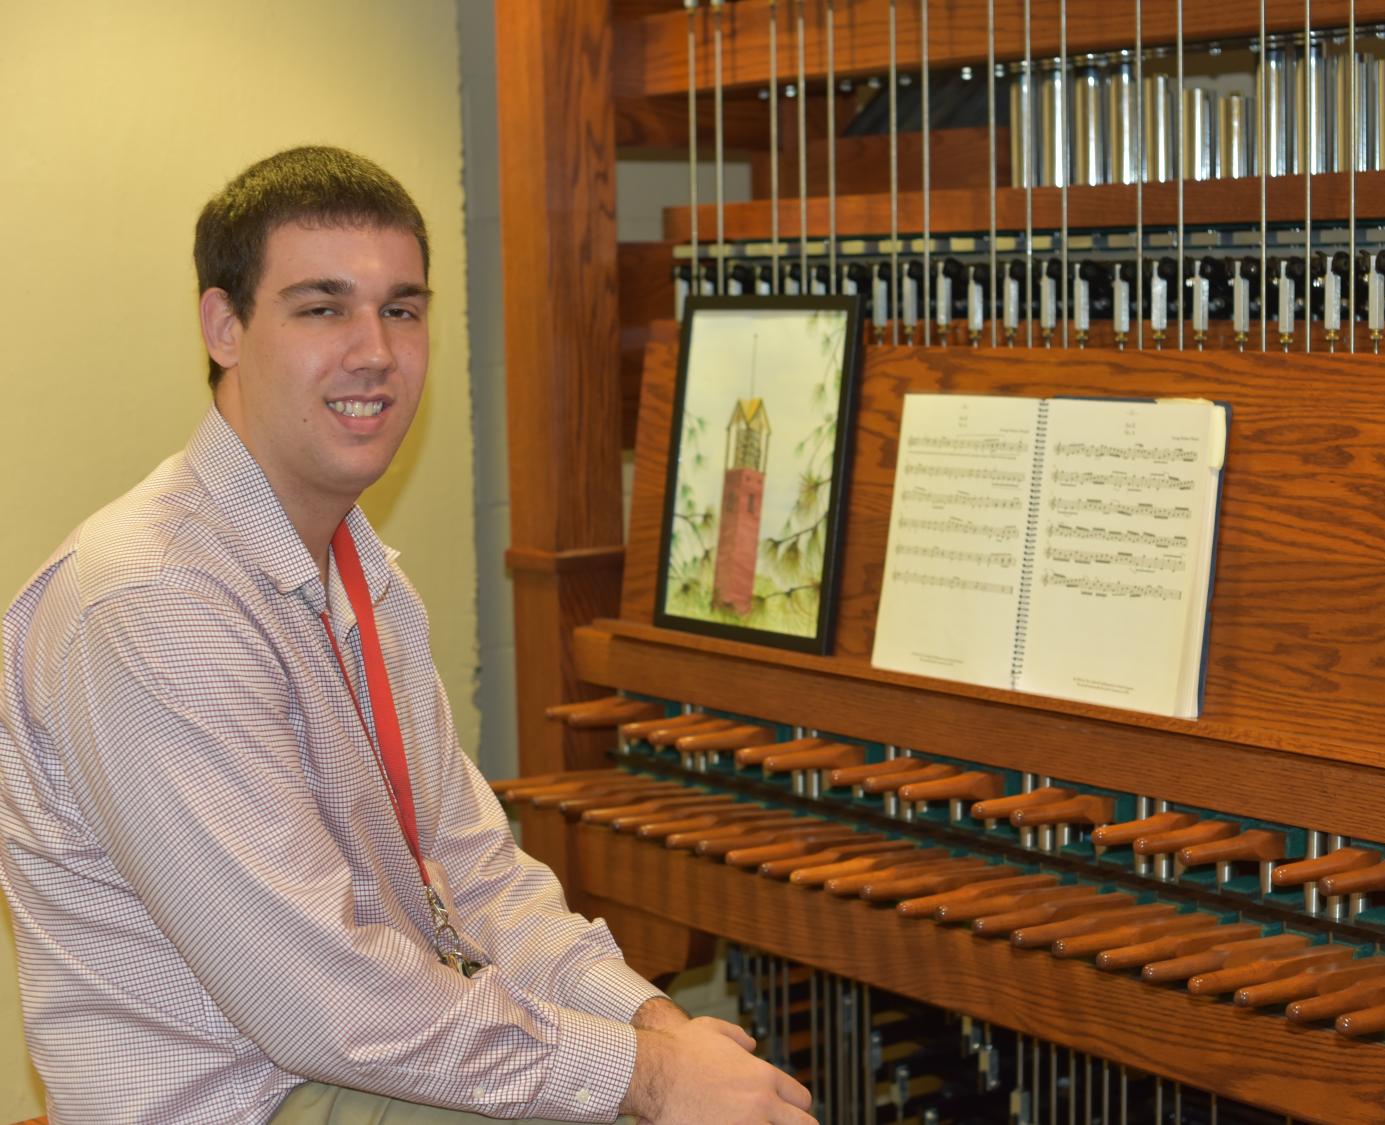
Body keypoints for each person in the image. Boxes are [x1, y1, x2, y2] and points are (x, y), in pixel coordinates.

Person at [0, 146, 815, 1125]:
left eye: (402, 309)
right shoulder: (150, 603)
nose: (375, 350)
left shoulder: (361, 578)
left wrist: (653, 1026)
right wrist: (643, 1077)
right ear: (224, 325)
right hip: (252, 1101)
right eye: (322, 307)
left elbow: (475, 879)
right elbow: (325, 1002)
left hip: (344, 1071)